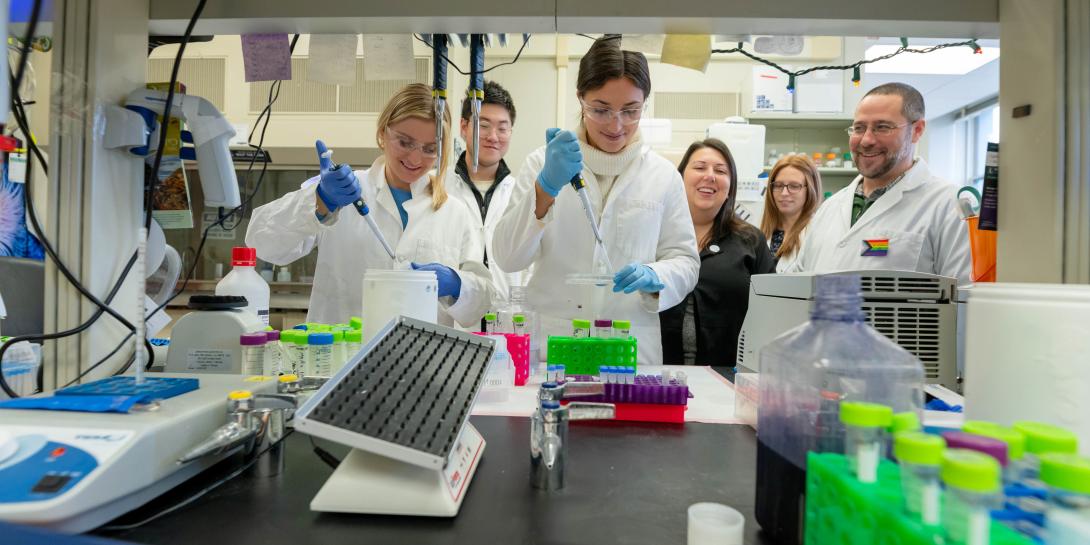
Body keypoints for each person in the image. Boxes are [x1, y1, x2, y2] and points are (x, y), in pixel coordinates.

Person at [492, 36, 699, 365]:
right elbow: (507, 257)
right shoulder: (540, 164)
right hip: (554, 348)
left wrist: (656, 274)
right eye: (600, 109)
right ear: (581, 99)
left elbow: (686, 262)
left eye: (630, 111)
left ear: (645, 103)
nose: (616, 125)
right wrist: (545, 188)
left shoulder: (663, 176)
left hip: (629, 349)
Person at [245, 83, 492, 327]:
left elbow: (481, 304)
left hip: (422, 361)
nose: (415, 158)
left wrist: (458, 284)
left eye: (429, 149)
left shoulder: (455, 212)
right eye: (404, 142)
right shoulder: (342, 190)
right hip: (343, 359)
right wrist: (320, 200)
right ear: (383, 132)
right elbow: (260, 243)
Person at [789, 82, 971, 284]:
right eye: (859, 128)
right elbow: (798, 283)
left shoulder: (949, 205)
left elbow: (964, 299)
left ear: (917, 130)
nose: (866, 140)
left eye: (882, 127)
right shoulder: (830, 208)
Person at [660, 139, 776, 366]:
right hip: (655, 376)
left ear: (730, 186)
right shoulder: (655, 234)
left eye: (721, 170)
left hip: (727, 377)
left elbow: (771, 312)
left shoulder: (750, 241)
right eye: (700, 167)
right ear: (680, 177)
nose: (710, 176)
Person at [445, 80, 527, 307]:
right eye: (483, 125)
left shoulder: (521, 193)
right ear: (464, 126)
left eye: (502, 128)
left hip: (508, 321)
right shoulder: (437, 187)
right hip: (452, 320)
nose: (493, 136)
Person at [761, 155, 823, 273]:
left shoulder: (818, 232)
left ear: (810, 189)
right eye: (778, 185)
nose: (784, 193)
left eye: (794, 186)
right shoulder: (762, 230)